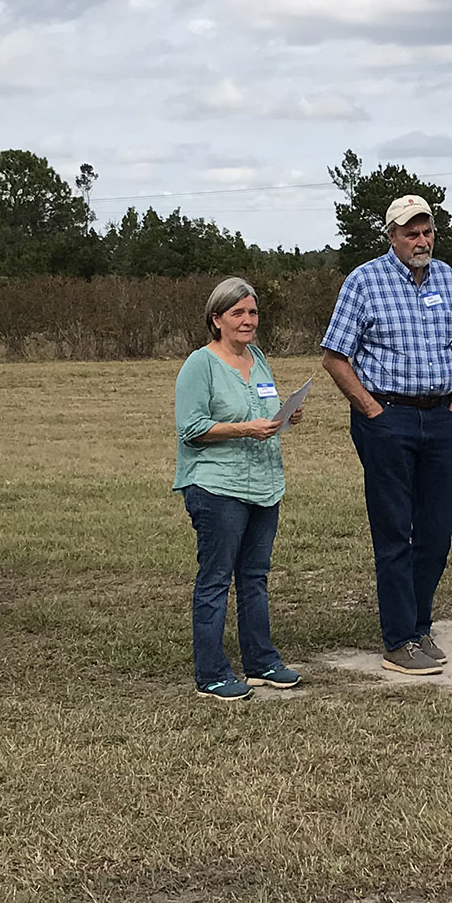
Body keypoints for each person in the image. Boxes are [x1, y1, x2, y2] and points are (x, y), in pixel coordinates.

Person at [320, 195, 452, 677]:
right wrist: (371, 410)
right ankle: (398, 640)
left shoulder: (447, 278)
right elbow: (334, 357)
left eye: (427, 232)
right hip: (388, 419)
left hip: (440, 419)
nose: (421, 241)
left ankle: (419, 626)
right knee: (393, 532)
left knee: (436, 533)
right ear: (391, 236)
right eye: (411, 233)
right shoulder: (364, 281)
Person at [174, 278, 307, 700]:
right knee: (215, 579)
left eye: (252, 312)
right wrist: (245, 428)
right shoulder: (200, 364)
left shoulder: (258, 358)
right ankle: (211, 674)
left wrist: (285, 415)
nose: (248, 320)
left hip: (264, 485)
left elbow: (264, 407)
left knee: (254, 577)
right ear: (217, 319)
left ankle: (261, 663)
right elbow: (191, 428)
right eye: (238, 313)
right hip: (217, 486)